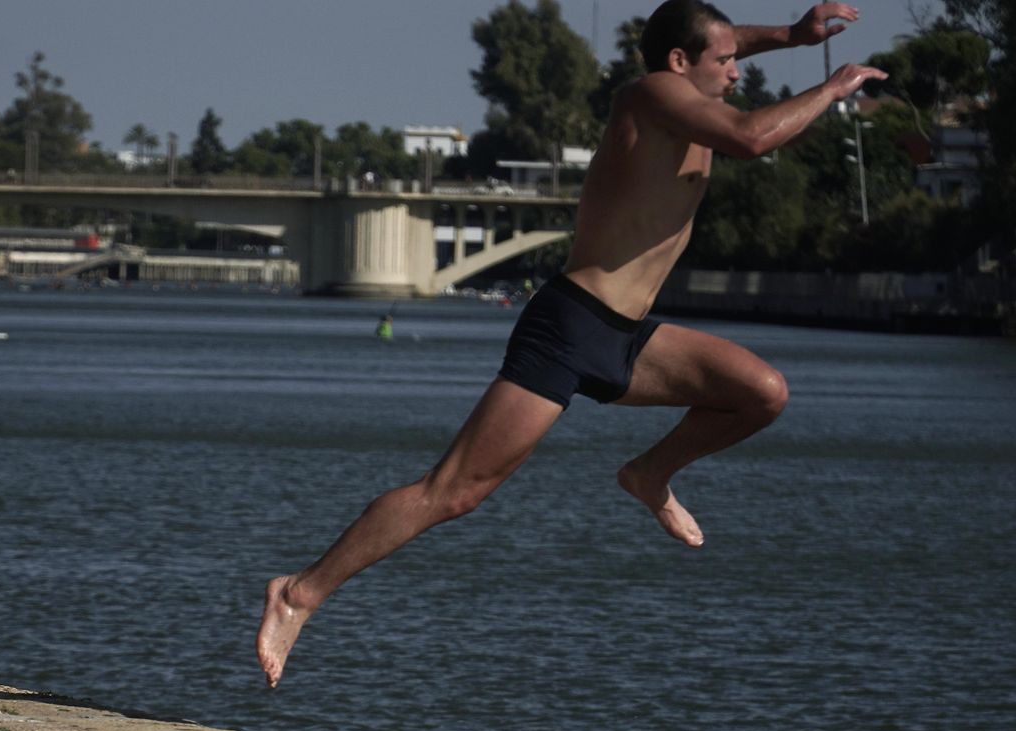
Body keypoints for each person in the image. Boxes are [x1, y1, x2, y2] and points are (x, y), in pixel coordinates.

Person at [256, 0, 886, 689]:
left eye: (739, 56)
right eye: (727, 60)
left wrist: (793, 37)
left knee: (761, 393)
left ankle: (648, 475)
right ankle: (299, 592)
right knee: (454, 492)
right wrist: (830, 86)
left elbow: (720, 57)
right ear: (680, 63)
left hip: (628, 337)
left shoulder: (693, 87)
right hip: (570, 326)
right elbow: (752, 139)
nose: (739, 70)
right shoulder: (650, 96)